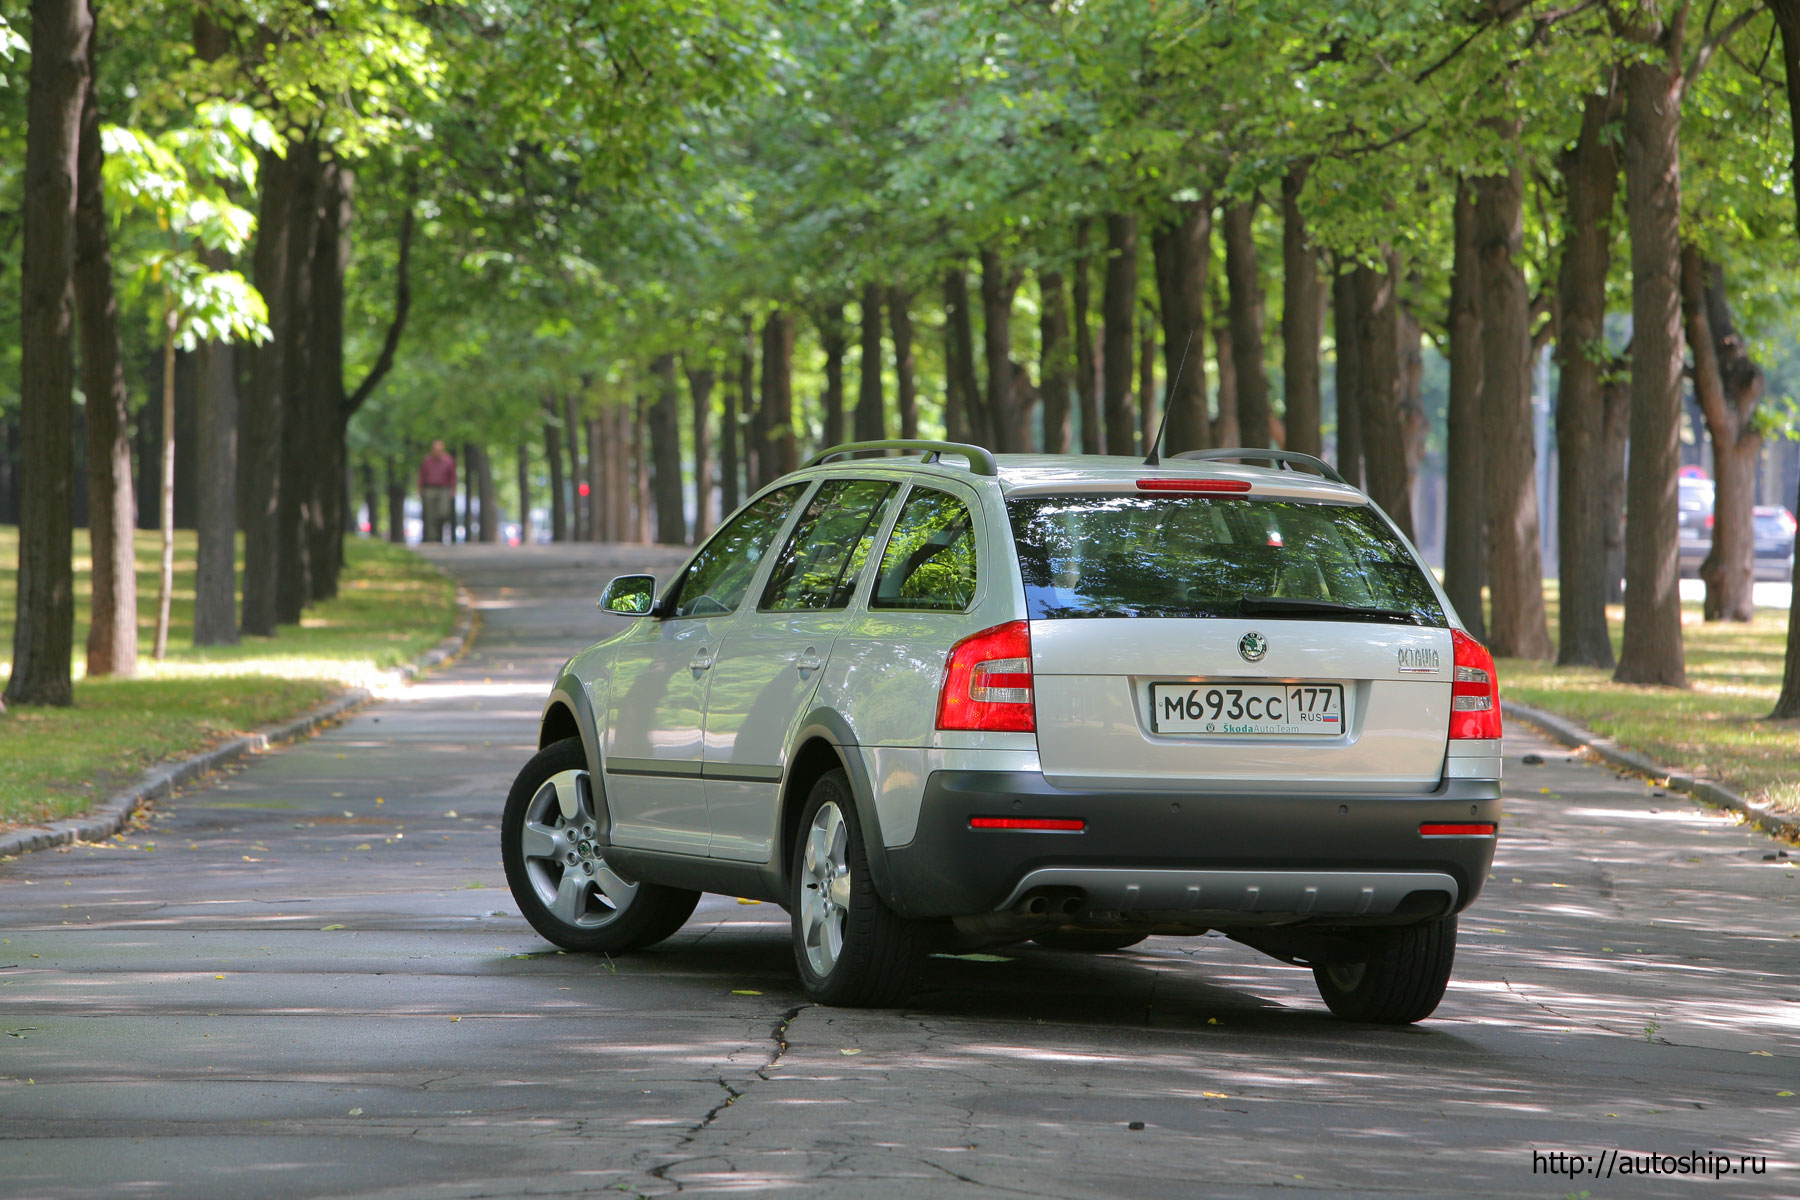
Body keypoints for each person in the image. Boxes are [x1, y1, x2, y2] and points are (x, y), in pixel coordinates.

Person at [419, 440, 458, 544]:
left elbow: (453, 476)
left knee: (443, 512)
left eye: (439, 450)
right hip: (429, 489)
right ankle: (433, 538)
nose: (437, 452)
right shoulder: (427, 460)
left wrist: (453, 490)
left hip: (444, 489)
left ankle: (440, 532)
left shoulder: (448, 460)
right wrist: (420, 489)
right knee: (430, 515)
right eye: (435, 450)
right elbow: (421, 475)